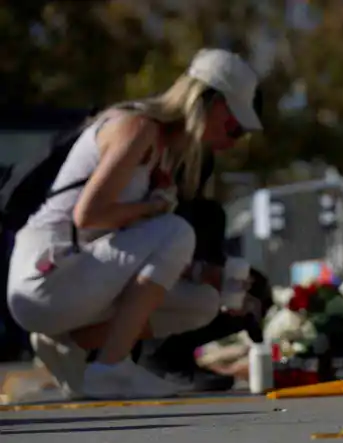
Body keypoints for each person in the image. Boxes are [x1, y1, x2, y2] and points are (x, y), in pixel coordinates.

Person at [6, 49, 263, 400]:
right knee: (177, 230)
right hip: (45, 276)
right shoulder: (137, 127)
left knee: (201, 302)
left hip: (78, 277)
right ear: (208, 101)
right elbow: (88, 215)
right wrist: (152, 207)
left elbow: (129, 248)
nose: (232, 141)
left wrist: (207, 273)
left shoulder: (164, 154)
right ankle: (111, 368)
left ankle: (69, 344)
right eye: (234, 127)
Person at [134, 150, 273, 392]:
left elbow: (216, 262)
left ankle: (179, 356)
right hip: (144, 288)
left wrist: (239, 287)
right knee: (195, 293)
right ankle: (155, 358)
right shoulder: (148, 208)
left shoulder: (208, 214)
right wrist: (203, 274)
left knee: (255, 286)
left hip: (188, 287)